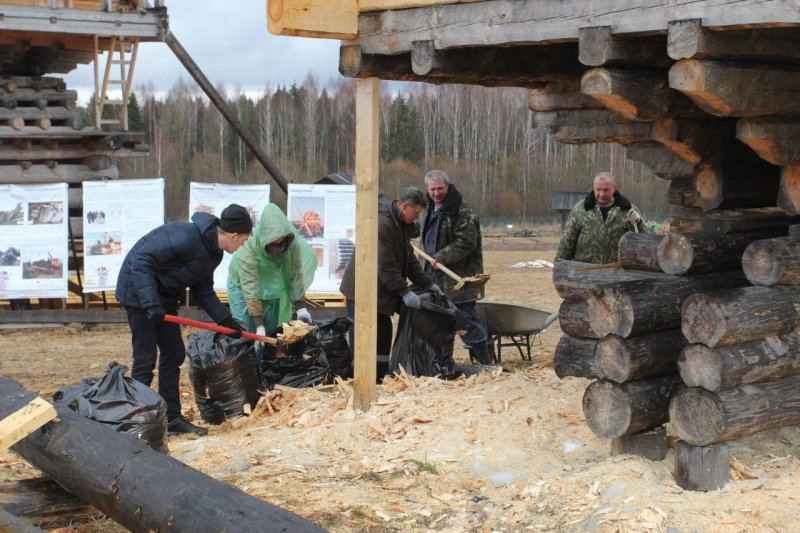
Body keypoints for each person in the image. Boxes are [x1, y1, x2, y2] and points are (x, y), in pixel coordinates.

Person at [116, 204, 253, 436]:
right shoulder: (186, 237)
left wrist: (226, 320)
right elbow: (141, 260)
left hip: (163, 297)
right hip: (137, 292)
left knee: (174, 353)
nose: (242, 245)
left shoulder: (214, 253)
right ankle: (135, 423)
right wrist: (150, 302)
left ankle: (171, 419)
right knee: (145, 358)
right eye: (243, 240)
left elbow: (203, 290)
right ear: (233, 235)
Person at [340, 187, 438, 380]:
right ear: (405, 206)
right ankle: (357, 379)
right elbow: (385, 265)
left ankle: (378, 377)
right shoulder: (382, 225)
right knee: (363, 337)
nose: (417, 217)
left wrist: (428, 284)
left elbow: (409, 259)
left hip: (379, 291)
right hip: (362, 290)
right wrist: (404, 292)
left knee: (383, 333)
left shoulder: (400, 224)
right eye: (416, 212)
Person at [417, 170, 492, 365]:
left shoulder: (462, 211)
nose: (436, 193)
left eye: (440, 188)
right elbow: (418, 229)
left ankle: (485, 362)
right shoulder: (425, 208)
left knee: (464, 319)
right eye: (432, 189)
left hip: (456, 279)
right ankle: (441, 362)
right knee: (435, 320)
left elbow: (467, 242)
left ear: (447, 186)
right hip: (430, 275)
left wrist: (441, 257)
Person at [227, 203, 317, 346]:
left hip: (272, 290)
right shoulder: (249, 247)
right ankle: (248, 358)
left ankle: (264, 357)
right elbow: (250, 286)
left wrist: (301, 308)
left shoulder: (293, 244)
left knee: (271, 332)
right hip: (243, 288)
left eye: (281, 244)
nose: (277, 249)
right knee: (246, 332)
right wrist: (259, 326)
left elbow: (295, 276)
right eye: (273, 244)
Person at [555, 171, 651, 264]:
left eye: (606, 190)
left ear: (614, 188)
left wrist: (639, 224)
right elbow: (565, 247)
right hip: (584, 272)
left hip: (617, 273)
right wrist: (559, 270)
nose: (601, 194)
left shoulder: (628, 210)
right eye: (598, 189)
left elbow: (645, 245)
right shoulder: (580, 210)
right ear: (594, 188)